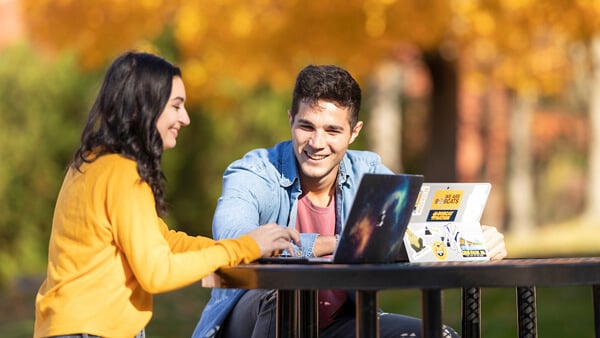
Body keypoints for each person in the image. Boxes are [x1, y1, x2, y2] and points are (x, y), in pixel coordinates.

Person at [192, 64, 507, 338]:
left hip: (338, 324)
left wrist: (475, 240)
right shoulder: (255, 171)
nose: (317, 143)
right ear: (290, 120)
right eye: (306, 126)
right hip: (251, 322)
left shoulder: (368, 172)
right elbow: (234, 238)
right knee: (285, 295)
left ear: (354, 132)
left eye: (332, 130)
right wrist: (331, 244)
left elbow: (415, 229)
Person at [33, 51, 300, 338]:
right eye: (176, 106)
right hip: (91, 330)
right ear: (141, 108)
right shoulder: (123, 173)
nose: (184, 118)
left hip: (69, 327)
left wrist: (243, 247)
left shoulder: (94, 163)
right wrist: (244, 248)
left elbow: (163, 241)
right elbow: (157, 272)